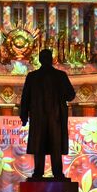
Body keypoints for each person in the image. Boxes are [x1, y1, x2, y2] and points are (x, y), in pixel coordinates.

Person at [19, 48, 76, 180]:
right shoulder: (60, 76)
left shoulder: (33, 77)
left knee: (41, 144)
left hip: (40, 118)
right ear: (51, 60)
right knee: (54, 144)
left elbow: (25, 98)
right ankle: (57, 173)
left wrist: (24, 115)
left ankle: (39, 172)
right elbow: (71, 95)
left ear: (40, 60)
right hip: (55, 117)